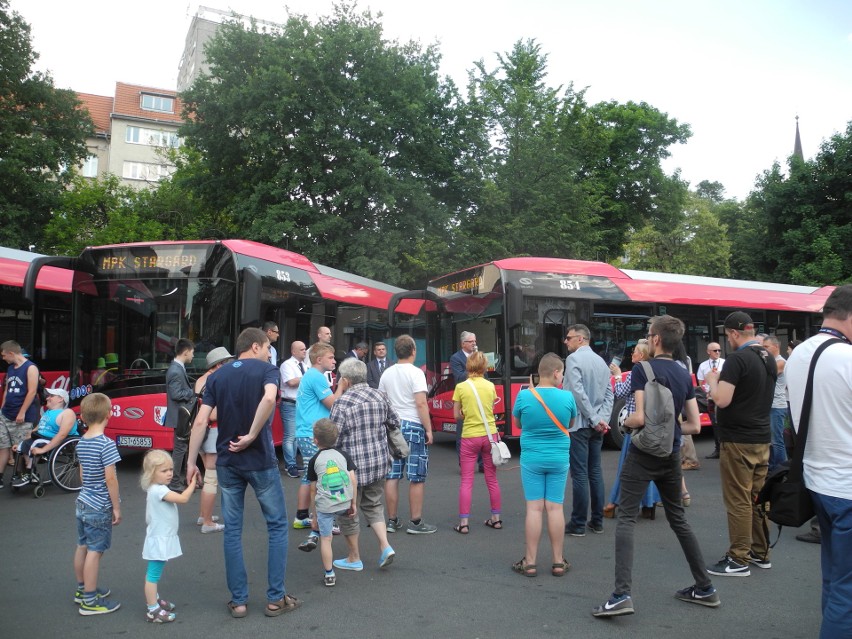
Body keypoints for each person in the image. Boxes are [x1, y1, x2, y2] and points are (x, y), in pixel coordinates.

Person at [593, 315, 719, 618]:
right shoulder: (681, 373)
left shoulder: (642, 370)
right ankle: (705, 587)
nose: (649, 338)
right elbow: (694, 426)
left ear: (657, 339)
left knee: (625, 519)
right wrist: (670, 429)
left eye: (650, 334)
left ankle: (621, 594)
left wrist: (623, 421)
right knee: (678, 519)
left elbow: (638, 418)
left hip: (642, 453)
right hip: (671, 453)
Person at [186, 327, 301, 619]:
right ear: (254, 346)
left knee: (232, 531)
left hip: (227, 461)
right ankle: (275, 598)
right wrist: (251, 434)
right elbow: (268, 398)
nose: (268, 352)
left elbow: (200, 421)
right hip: (259, 459)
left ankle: (238, 601)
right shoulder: (267, 370)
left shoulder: (217, 377)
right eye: (266, 348)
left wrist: (190, 463)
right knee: (276, 526)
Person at [786, 284, 852, 638]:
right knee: (848, 587)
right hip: (848, 482)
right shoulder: (847, 358)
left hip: (817, 481)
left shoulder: (800, 354)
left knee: (834, 575)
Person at [704, 311, 776, 577]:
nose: (728, 341)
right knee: (758, 497)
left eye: (727, 335)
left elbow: (722, 399)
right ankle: (760, 551)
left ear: (734, 333)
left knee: (739, 500)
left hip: (738, 439)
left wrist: (713, 381)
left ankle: (738, 558)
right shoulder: (768, 357)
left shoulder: (737, 360)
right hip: (761, 437)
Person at [511, 353, 577, 577]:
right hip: (559, 458)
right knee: (555, 508)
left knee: (534, 508)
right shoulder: (567, 397)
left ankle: (530, 562)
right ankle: (558, 561)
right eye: (562, 373)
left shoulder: (524, 397)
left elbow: (518, 423)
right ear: (556, 373)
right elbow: (570, 423)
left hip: (532, 459)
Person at [328, 358, 398, 571]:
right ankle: (385, 546)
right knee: (374, 505)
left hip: (352, 469)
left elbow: (333, 437)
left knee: (348, 510)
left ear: (346, 380)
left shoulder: (343, 403)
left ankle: (354, 557)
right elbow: (395, 422)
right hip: (378, 462)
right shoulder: (380, 395)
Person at [379, 335, 437, 535]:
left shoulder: (386, 373)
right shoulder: (416, 373)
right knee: (416, 476)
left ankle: (392, 520)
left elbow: (383, 402)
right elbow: (421, 403)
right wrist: (428, 429)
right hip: (413, 425)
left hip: (392, 427)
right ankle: (416, 522)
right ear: (413, 350)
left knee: (392, 475)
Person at [563, 324, 614, 536]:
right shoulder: (601, 361)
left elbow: (576, 392)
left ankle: (578, 524)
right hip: (597, 426)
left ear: (581, 339)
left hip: (580, 425)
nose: (566, 341)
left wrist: (593, 419)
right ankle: (597, 521)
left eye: (569, 337)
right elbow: (609, 394)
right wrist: (602, 420)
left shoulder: (573, 359)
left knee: (580, 474)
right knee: (595, 471)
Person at [74, 393, 122, 615]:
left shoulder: (82, 441)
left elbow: (83, 474)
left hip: (83, 501)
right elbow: (110, 479)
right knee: (96, 550)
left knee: (83, 546)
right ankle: (90, 602)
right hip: (99, 505)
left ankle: (82, 589)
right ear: (109, 414)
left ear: (83, 416)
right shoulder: (107, 445)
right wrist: (116, 506)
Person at [604, 340, 660, 519]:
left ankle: (618, 503)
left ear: (642, 355)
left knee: (627, 468)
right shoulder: (656, 369)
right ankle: (649, 504)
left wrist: (618, 375)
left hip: (635, 425)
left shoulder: (636, 372)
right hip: (653, 425)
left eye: (635, 351)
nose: (632, 354)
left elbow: (620, 393)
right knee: (650, 466)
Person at [294, 342, 345, 539]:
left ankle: (302, 516)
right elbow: (334, 404)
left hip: (306, 432)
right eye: (331, 357)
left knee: (309, 477)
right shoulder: (316, 377)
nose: (334, 360)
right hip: (312, 433)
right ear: (318, 359)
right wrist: (340, 387)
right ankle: (321, 519)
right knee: (321, 477)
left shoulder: (311, 375)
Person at [140, 449, 197, 623]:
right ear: (152, 473)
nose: (170, 473)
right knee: (153, 575)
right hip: (159, 539)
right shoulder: (159, 491)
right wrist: (193, 482)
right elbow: (183, 499)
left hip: (160, 537)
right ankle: (152, 610)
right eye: (164, 471)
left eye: (171, 469)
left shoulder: (157, 488)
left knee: (154, 572)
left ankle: (154, 600)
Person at [452, 350, 503, 533]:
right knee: (492, 479)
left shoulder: (461, 387)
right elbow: (489, 408)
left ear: (468, 366)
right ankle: (496, 519)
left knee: (467, 480)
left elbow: (456, 415)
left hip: (470, 436)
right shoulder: (490, 386)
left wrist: (465, 413)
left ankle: (464, 523)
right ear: (483, 367)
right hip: (490, 435)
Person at [305, 418, 357, 587]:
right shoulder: (343, 455)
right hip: (344, 502)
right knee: (340, 518)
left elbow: (313, 490)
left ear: (315, 440)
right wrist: (353, 503)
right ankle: (353, 554)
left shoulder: (314, 460)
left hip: (325, 506)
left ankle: (329, 574)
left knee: (326, 539)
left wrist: (314, 515)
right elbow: (352, 480)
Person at [193, 347, 232, 534]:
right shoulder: (214, 381)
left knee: (208, 476)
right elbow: (213, 414)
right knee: (211, 479)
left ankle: (203, 515)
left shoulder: (201, 380)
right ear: (218, 365)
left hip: (201, 433)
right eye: (226, 362)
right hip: (213, 432)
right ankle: (207, 522)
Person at [12, 388, 77, 486]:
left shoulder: (67, 413)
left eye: (51, 396)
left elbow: (62, 435)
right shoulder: (47, 413)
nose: (47, 398)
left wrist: (43, 450)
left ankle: (29, 472)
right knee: (21, 446)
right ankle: (25, 472)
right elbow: (36, 430)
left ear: (60, 399)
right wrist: (21, 443)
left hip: (54, 440)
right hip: (40, 438)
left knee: (36, 444)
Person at [0, 340, 41, 489]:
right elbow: (7, 390)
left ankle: (30, 472)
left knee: (22, 447)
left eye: (4, 355)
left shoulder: (31, 368)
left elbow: (32, 391)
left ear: (11, 353)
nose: (3, 358)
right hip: (5, 414)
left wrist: (22, 412)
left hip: (21, 415)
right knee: (3, 446)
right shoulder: (10, 368)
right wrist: (2, 409)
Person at [165, 339, 195, 491]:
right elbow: (176, 394)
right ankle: (174, 483)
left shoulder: (178, 368)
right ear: (185, 352)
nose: (193, 355)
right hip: (180, 417)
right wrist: (193, 392)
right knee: (180, 450)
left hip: (181, 416)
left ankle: (182, 480)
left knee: (182, 448)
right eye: (192, 352)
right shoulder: (176, 370)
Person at [279, 341, 307, 478]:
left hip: (300, 404)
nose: (304, 351)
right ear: (293, 351)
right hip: (289, 403)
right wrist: (307, 377)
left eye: (305, 349)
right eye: (301, 349)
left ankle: (294, 463)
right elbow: (291, 382)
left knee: (296, 435)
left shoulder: (305, 365)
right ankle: (289, 465)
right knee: (290, 436)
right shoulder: (286, 365)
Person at [450, 332, 478, 464]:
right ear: (463, 344)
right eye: (471, 341)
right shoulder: (456, 358)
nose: (474, 343)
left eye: (475, 341)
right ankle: (464, 463)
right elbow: (459, 377)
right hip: (464, 399)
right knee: (463, 432)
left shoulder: (479, 356)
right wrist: (474, 367)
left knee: (482, 431)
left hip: (479, 396)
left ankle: (482, 463)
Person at [762, 336, 788, 472]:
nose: (764, 350)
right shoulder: (772, 361)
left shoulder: (781, 362)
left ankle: (782, 469)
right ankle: (773, 468)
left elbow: (766, 374)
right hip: (770, 405)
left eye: (766, 347)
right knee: (772, 440)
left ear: (776, 347)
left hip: (777, 405)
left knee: (777, 440)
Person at [696, 342, 725, 459]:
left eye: (719, 350)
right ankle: (718, 449)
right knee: (714, 424)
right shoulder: (703, 365)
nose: (717, 352)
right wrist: (706, 391)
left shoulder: (725, 363)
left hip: (723, 396)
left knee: (724, 422)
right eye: (715, 350)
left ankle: (725, 448)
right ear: (708, 352)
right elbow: (700, 383)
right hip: (711, 398)